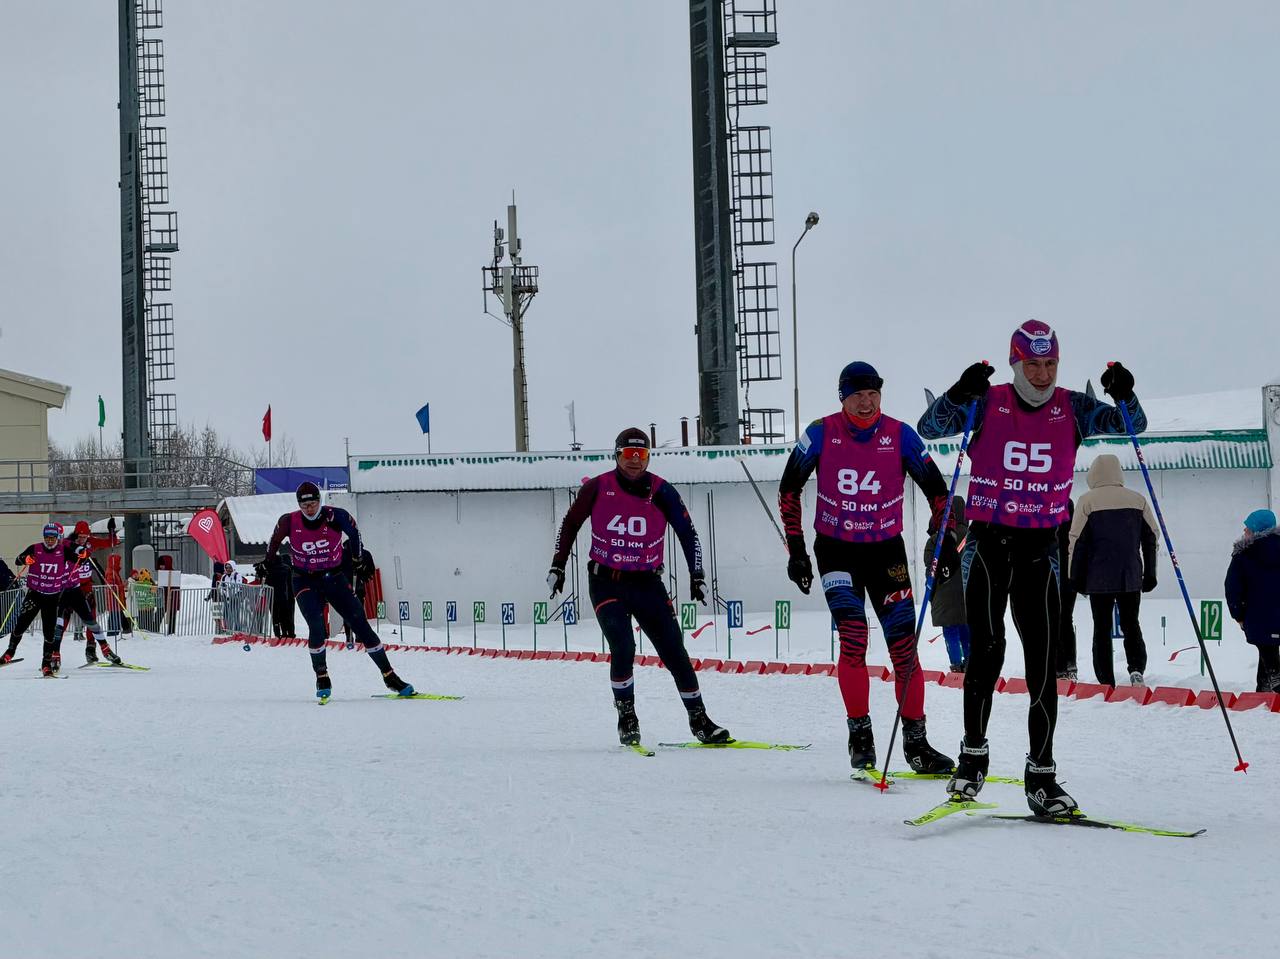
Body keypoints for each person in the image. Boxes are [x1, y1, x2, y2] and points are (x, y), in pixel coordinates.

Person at [918, 321, 1146, 815]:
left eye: (1050, 364)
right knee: (986, 652)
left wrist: (1125, 393)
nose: (1042, 375)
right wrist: (958, 393)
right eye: (1032, 364)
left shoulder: (1074, 407)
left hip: (1041, 547)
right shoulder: (988, 401)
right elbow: (929, 428)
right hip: (987, 543)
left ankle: (1041, 775)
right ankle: (972, 759)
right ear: (1016, 363)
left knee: (1042, 660)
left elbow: (1134, 425)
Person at [779, 362, 955, 774]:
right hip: (836, 551)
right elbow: (790, 488)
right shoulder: (820, 433)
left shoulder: (900, 434)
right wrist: (797, 550)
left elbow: (937, 490)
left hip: (885, 553)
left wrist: (943, 533)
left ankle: (916, 742)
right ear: (843, 397)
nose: (866, 401)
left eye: (873, 393)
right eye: (857, 394)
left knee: (904, 649)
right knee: (854, 638)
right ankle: (860, 737)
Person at [546, 427, 730, 746]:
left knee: (675, 652)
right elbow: (570, 523)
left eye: (641, 455)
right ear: (616, 455)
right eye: (628, 455)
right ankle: (627, 716)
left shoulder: (662, 491)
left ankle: (699, 719)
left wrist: (696, 573)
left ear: (648, 457)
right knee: (624, 647)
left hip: (647, 583)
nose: (634, 462)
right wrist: (557, 565)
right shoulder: (598, 487)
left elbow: (688, 533)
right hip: (606, 582)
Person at [264, 482, 414, 700]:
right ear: (299, 505)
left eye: (313, 503)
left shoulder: (335, 516)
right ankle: (322, 675)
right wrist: (268, 563)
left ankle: (389, 676)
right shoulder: (289, 521)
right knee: (316, 626)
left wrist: (358, 559)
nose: (309, 509)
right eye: (304, 505)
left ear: (320, 501)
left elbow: (355, 535)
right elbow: (273, 542)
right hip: (304, 579)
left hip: (333, 577)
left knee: (361, 625)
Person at [1068, 454, 1158, 687]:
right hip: (1130, 575)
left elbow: (1076, 541)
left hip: (1098, 578)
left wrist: (1074, 577)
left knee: (1102, 628)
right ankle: (1136, 668)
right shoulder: (1138, 500)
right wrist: (1150, 572)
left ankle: (1105, 678)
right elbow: (1151, 537)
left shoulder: (1087, 501)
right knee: (1131, 623)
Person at [1225, 509, 1280, 693]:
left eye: (1247, 528)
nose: (1244, 531)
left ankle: (1275, 678)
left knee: (1266, 646)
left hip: (1257, 615)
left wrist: (1238, 614)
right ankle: (1263, 689)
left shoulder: (1244, 554)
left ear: (1256, 529)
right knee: (1269, 646)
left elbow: (1233, 587)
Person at [59, 519, 123, 665]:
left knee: (91, 618)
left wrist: (112, 532)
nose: (82, 540)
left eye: (85, 537)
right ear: (75, 534)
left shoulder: (90, 542)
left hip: (86, 586)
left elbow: (111, 543)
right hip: (70, 587)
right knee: (64, 619)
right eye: (80, 537)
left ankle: (91, 649)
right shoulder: (68, 544)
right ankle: (53, 652)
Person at [925, 496, 970, 673]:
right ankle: (969, 662)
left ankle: (955, 664)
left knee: (950, 631)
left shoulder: (936, 539)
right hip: (967, 592)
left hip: (943, 592)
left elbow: (929, 563)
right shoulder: (972, 536)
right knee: (966, 629)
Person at [1055, 500, 1080, 681]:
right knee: (1066, 620)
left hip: (1054, 575)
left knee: (1055, 620)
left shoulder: (1051, 532)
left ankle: (1059, 666)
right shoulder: (1073, 533)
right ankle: (1071, 663)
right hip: (1070, 578)